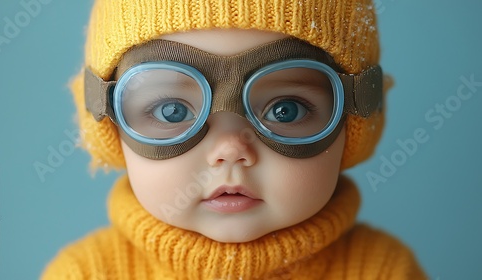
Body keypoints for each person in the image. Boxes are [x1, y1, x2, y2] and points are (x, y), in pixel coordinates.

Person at [42, 0, 426, 279]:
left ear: (354, 120)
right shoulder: (86, 274)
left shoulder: (383, 271)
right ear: (110, 125)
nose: (230, 151)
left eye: (285, 110)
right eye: (172, 111)